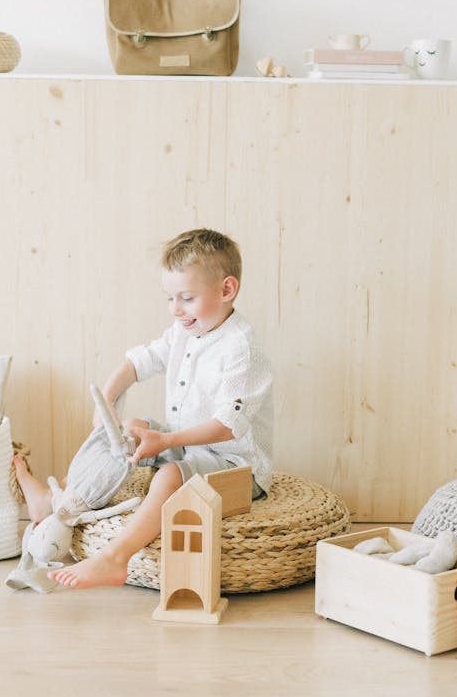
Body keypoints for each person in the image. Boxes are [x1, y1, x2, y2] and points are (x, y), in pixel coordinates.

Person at [15, 227, 273, 589]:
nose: (176, 310)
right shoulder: (184, 330)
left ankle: (114, 558)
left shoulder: (241, 350)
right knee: (129, 428)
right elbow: (142, 361)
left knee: (168, 475)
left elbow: (225, 427)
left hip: (237, 468)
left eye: (186, 298)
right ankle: (61, 500)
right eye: (170, 298)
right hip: (188, 446)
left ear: (226, 290)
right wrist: (108, 397)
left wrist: (166, 442)